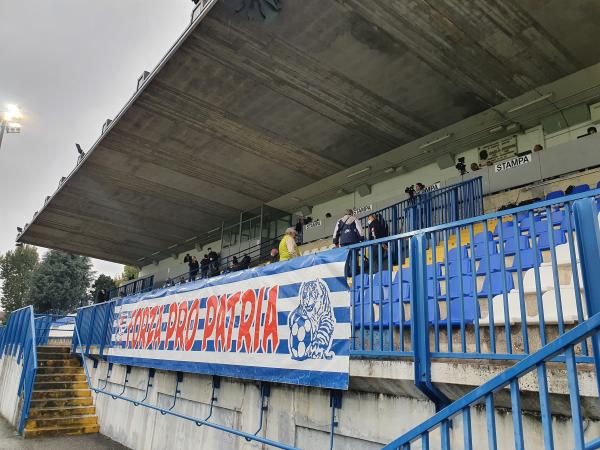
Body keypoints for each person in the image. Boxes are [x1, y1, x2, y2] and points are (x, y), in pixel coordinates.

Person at [333, 209, 364, 276]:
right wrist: (361, 239)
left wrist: (336, 242)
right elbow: (360, 230)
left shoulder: (339, 220)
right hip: (354, 241)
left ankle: (346, 274)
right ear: (351, 213)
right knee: (354, 258)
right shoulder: (355, 219)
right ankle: (354, 274)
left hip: (343, 242)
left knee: (346, 258)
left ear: (344, 214)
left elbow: (336, 232)